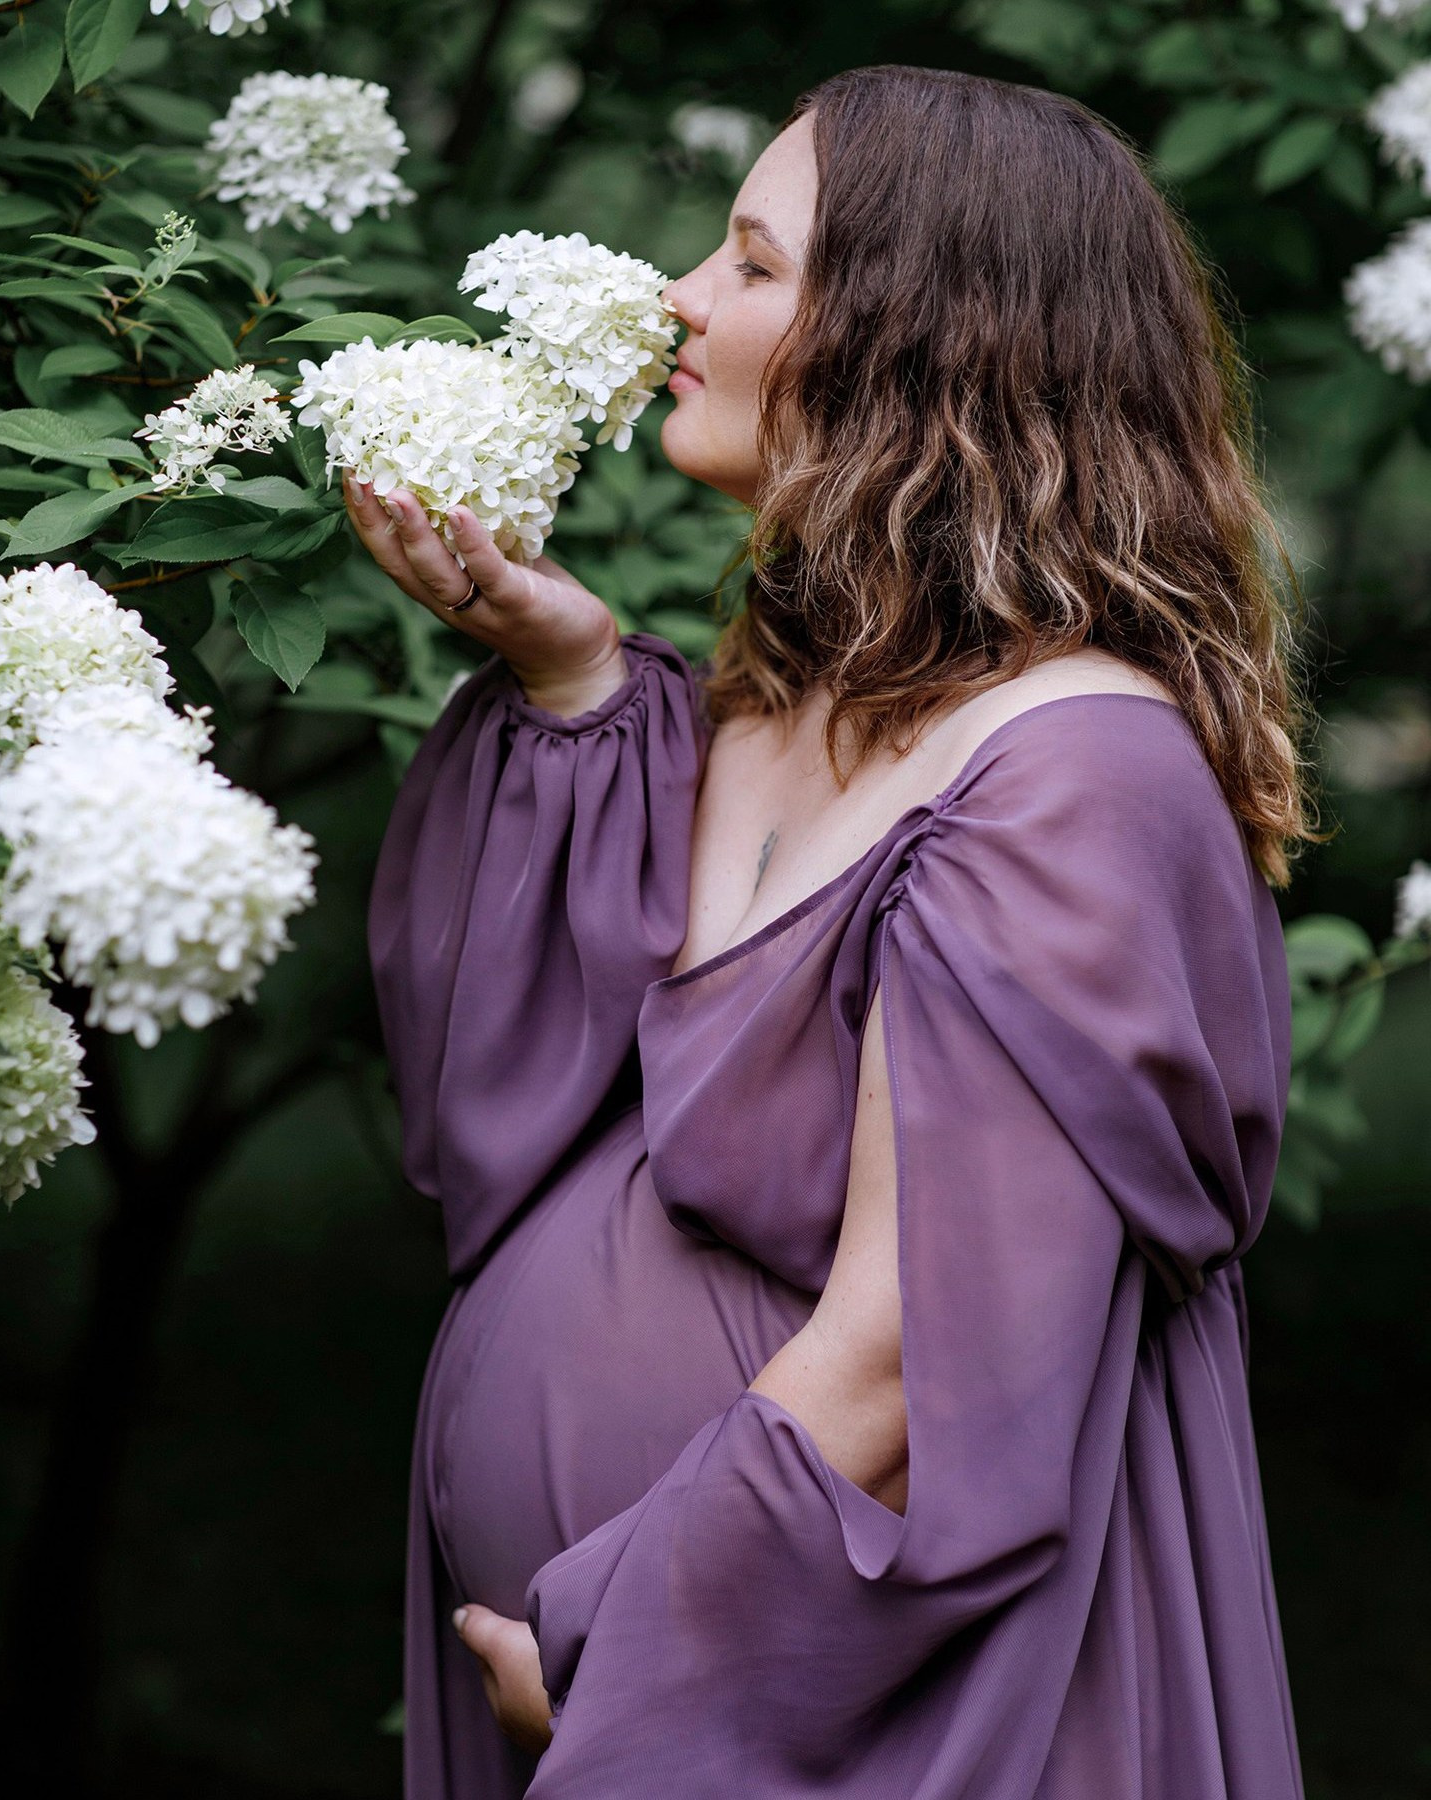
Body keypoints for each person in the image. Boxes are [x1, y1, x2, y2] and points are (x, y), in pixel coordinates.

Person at [346, 63, 1312, 1800]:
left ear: (924, 341)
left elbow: (915, 1365)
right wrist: (573, 678)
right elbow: (508, 1110)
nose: (678, 298)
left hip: (845, 1709)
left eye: (751, 262)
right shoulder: (764, 707)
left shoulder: (1074, 778)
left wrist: (634, 1650)